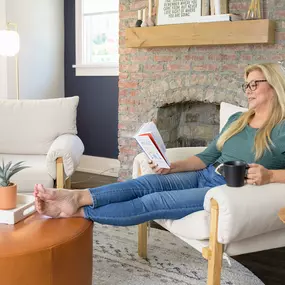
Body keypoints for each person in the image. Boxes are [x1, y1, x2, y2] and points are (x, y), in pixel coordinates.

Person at [34, 62, 285, 226]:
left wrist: (270, 175)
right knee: (146, 183)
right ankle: (77, 196)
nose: (248, 90)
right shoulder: (237, 119)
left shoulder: (282, 128)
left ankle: (79, 212)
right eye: (246, 85)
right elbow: (206, 156)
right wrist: (172, 167)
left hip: (227, 189)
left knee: (155, 201)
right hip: (205, 174)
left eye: (255, 84)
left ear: (274, 86)